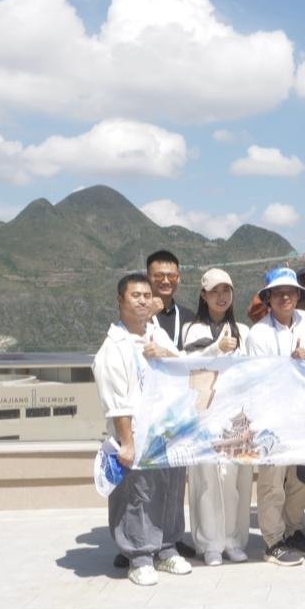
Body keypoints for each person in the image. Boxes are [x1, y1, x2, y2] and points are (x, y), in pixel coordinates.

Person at [93, 272, 188, 586]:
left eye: (147, 296)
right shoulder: (114, 347)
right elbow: (117, 401)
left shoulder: (156, 334)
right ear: (120, 300)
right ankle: (139, 557)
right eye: (136, 295)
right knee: (138, 496)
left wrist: (165, 353)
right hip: (136, 434)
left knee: (171, 491)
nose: (143, 301)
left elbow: (182, 364)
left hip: (167, 432)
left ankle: (167, 547)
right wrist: (127, 442)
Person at [246, 266, 305, 566]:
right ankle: (273, 541)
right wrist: (290, 363)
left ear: (299, 296)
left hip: (302, 414)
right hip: (271, 417)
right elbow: (259, 378)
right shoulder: (258, 333)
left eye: (290, 292)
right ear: (268, 298)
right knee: (272, 482)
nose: (285, 297)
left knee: (304, 479)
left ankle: (292, 529)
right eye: (278, 293)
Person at [180, 269, 253, 567]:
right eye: (215, 291)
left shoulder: (243, 331)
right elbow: (187, 363)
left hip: (235, 416)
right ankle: (210, 543)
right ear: (203, 295)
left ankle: (233, 539)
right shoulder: (192, 329)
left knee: (234, 480)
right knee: (206, 479)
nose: (221, 296)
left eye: (226, 290)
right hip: (204, 414)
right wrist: (215, 348)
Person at [146, 249, 195, 352]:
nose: (166, 281)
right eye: (159, 276)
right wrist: (146, 316)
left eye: (171, 276)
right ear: (147, 278)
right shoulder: (137, 314)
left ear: (178, 278)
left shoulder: (189, 317)